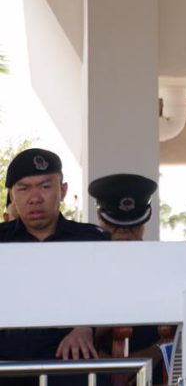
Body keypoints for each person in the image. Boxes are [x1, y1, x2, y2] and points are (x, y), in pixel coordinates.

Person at [0, 148, 108, 385]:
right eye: (24, 188)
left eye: (45, 186)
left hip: (69, 355)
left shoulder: (91, 240)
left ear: (63, 190)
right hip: (7, 355)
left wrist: (85, 327)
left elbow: (108, 294)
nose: (35, 197)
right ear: (12, 196)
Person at [87, 173, 172, 384]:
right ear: (100, 217)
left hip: (156, 372)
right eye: (115, 225)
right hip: (94, 370)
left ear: (145, 221)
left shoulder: (166, 268)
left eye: (133, 226)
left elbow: (178, 331)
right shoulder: (85, 267)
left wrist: (150, 356)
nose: (125, 232)